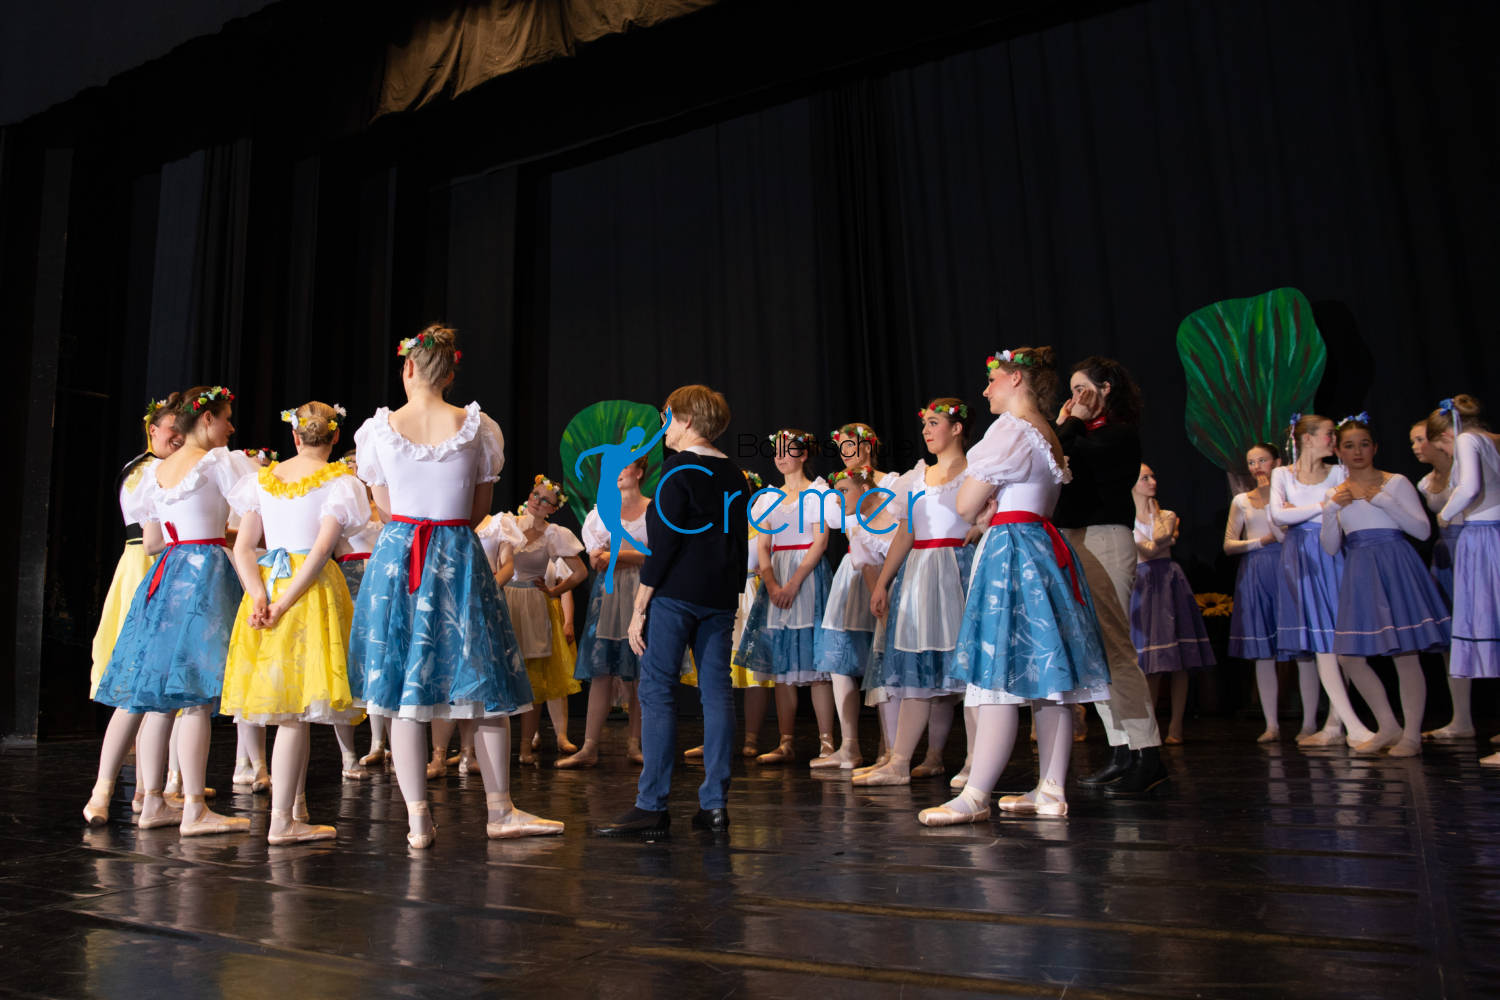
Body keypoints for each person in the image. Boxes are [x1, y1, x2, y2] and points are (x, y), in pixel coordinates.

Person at [348, 324, 560, 846]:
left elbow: (384, 506)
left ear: (408, 367)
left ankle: (418, 819)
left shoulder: (377, 430)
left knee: (403, 690)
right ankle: (499, 810)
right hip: (456, 556)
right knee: (482, 682)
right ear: (449, 373)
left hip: (399, 557)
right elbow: (479, 509)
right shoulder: (478, 427)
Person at [919, 348, 1110, 826]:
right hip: (1040, 547)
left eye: (993, 380)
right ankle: (1050, 789)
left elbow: (966, 505)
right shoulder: (1046, 432)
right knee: (1048, 678)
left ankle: (976, 794)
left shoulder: (1009, 430)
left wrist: (982, 508)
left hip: (1012, 551)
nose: (986, 390)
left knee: (997, 672)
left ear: (1017, 380)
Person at [88, 386, 256, 835]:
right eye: (226, 417)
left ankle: (152, 803)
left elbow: (153, 541)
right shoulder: (218, 463)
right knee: (196, 694)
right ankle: (194, 808)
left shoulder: (157, 471)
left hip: (166, 574)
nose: (231, 427)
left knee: (161, 696)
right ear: (206, 419)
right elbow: (252, 521)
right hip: (204, 571)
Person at [593, 387, 748, 836]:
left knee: (657, 691)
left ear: (685, 420)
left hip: (676, 593)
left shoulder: (679, 470)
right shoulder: (735, 473)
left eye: (666, 417)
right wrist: (731, 593)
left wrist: (640, 605)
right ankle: (714, 805)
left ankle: (652, 806)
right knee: (716, 694)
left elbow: (665, 545)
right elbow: (737, 540)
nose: (663, 426)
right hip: (719, 596)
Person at [223, 401, 369, 842]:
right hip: (307, 592)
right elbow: (322, 550)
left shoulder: (264, 479)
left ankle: (296, 805)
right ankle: (282, 820)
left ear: (295, 435)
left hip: (270, 584)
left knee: (292, 706)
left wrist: (260, 594)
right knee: (294, 712)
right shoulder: (339, 481)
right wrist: (284, 604)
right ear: (335, 436)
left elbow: (244, 547)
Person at [1053, 358, 1167, 797]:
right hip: (1072, 539)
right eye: (1071, 391)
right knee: (1092, 652)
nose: (1075, 399)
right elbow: (1050, 461)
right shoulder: (1080, 432)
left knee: (1115, 648)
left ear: (1106, 389)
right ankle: (1121, 749)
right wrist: (1066, 424)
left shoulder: (1119, 435)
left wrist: (1070, 425)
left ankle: (1148, 754)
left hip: (1104, 539)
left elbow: (1070, 456)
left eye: (1082, 389)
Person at [854, 400, 973, 787]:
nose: (926, 430)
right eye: (925, 424)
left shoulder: (976, 470)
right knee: (916, 669)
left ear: (956, 428)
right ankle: (899, 761)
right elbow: (906, 533)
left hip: (958, 570)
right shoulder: (917, 476)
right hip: (921, 573)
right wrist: (883, 583)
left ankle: (973, 762)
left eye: (934, 423)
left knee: (968, 669)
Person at [1320, 415, 1448, 757]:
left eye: (1364, 444)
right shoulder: (1335, 494)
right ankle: (1388, 726)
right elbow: (1330, 547)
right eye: (1349, 446)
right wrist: (1330, 511)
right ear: (1338, 451)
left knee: (1405, 653)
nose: (1358, 451)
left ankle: (1412, 736)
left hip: (1395, 565)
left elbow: (1422, 531)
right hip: (1361, 571)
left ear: (1375, 448)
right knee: (1349, 657)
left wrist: (1384, 501)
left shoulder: (1396, 482)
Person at [1270, 414, 1376, 747]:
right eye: (1329, 434)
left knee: (1341, 639)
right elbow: (1278, 514)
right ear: (1307, 439)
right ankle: (1353, 727)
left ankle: (1334, 724)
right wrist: (1324, 504)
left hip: (1334, 552)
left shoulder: (1339, 472)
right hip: (1301, 558)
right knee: (1323, 642)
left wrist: (1302, 511)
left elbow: (1341, 512)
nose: (1334, 439)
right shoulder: (1282, 474)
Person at [559, 448, 657, 768]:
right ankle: (589, 747)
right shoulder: (601, 513)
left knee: (640, 672)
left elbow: (655, 555)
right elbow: (596, 560)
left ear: (638, 472)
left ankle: (635, 744)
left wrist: (619, 555)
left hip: (643, 591)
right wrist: (617, 557)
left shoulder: (653, 510)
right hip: (610, 594)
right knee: (602, 670)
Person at [742, 430, 836, 763]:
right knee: (783, 666)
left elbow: (820, 541)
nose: (780, 457)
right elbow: (764, 544)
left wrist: (794, 583)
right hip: (777, 575)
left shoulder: (818, 493)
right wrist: (770, 583)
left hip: (806, 577)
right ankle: (786, 742)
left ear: (803, 454)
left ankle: (827, 743)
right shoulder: (769, 498)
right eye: (777, 451)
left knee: (815, 664)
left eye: (787, 450)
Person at [1225, 443, 1318, 742]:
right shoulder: (1241, 500)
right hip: (1257, 571)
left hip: (1289, 566)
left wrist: (1271, 500)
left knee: (1302, 650)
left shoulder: (1291, 497)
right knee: (1263, 652)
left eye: (1262, 460)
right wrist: (1260, 542)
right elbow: (1229, 544)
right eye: (1252, 462)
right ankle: (1272, 725)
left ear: (1277, 462)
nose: (1257, 467)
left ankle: (1309, 724)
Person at [492, 476, 588, 763]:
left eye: (546, 500)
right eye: (535, 494)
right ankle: (478, 750)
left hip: (534, 605)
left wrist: (554, 592)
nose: (537, 501)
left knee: (532, 678)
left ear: (553, 509)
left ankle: (524, 748)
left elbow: (580, 573)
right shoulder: (507, 523)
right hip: (504, 599)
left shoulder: (555, 534)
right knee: (497, 671)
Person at [811, 465, 896, 769]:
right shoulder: (842, 497)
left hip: (889, 568)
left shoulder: (892, 485)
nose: (846, 450)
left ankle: (890, 746)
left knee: (884, 655)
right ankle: (849, 746)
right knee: (838, 658)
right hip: (856, 568)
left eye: (852, 444)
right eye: (842, 446)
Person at [1430, 396, 1500, 764]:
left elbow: (1470, 486)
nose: (1445, 451)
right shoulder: (1492, 439)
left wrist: (1446, 514)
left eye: (1441, 444)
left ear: (1448, 432)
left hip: (1484, 537)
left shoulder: (1468, 439)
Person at [1129, 464, 1214, 745]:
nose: (1152, 481)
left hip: (1169, 582)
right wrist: (1168, 537)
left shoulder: (1167, 514)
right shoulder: (1128, 519)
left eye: (1153, 476)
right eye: (1145, 478)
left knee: (1178, 659)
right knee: (1151, 661)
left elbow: (1158, 540)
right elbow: (1150, 548)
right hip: (1144, 585)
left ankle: (1176, 724)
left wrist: (1163, 529)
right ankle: (1150, 725)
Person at [1413, 415, 1472, 741]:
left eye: (1421, 439)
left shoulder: (1467, 470)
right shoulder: (1425, 482)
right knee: (1451, 639)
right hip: (1445, 557)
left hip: (1472, 549)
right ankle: (1461, 719)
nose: (1416, 446)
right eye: (1412, 441)